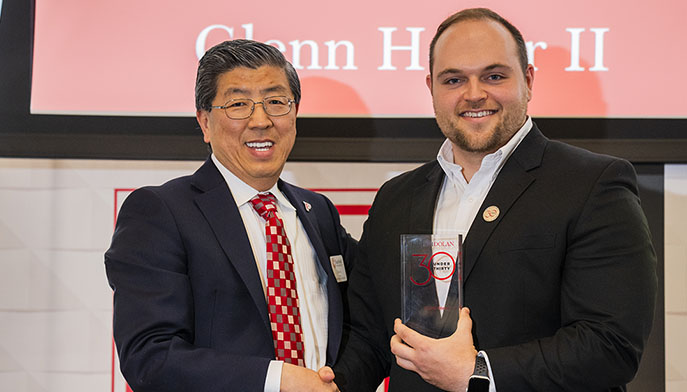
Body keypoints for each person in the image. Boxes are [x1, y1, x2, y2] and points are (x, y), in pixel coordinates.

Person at [332, 8, 657, 392]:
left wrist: (478, 371)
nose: (473, 94)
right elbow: (371, 338)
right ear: (431, 88)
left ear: (529, 80)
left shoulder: (593, 184)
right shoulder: (395, 198)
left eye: (494, 76)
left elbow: (611, 345)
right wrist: (330, 385)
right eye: (453, 79)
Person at [105, 39, 355, 392]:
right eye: (239, 104)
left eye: (276, 102)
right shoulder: (161, 212)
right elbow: (150, 357)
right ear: (205, 122)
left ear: (294, 114)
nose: (261, 120)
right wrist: (277, 379)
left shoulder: (319, 214)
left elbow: (363, 314)